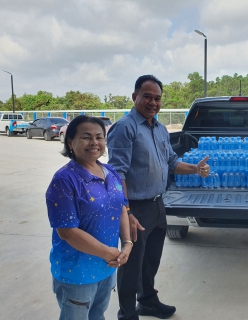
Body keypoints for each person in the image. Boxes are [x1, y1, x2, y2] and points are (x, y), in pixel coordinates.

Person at [107, 74, 210, 320]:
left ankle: (148, 303)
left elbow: (172, 162)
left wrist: (195, 168)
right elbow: (117, 173)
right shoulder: (125, 128)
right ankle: (127, 313)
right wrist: (127, 213)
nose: (153, 102)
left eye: (157, 98)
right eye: (147, 97)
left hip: (157, 205)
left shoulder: (160, 129)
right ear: (135, 97)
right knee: (131, 265)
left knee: (150, 260)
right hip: (135, 209)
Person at [46, 115, 132, 320]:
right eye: (86, 137)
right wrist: (106, 252)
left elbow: (121, 207)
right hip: (78, 272)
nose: (94, 142)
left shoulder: (110, 171)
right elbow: (67, 231)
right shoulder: (64, 180)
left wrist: (127, 243)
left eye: (99, 137)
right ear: (70, 142)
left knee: (97, 315)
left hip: (107, 266)